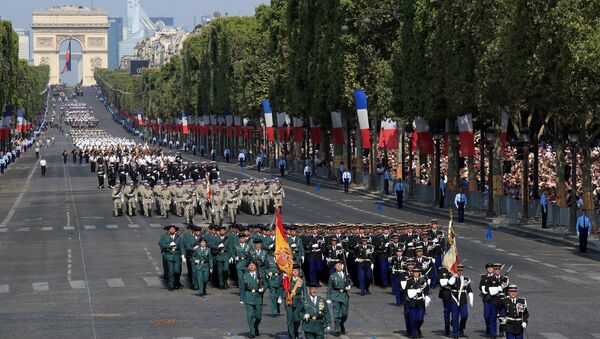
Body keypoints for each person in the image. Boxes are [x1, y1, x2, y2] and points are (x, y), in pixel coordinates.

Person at [448, 264, 473, 339]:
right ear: (456, 270)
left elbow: (469, 289)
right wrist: (453, 276)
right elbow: (449, 284)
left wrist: (471, 298)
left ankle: (461, 327)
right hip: (454, 298)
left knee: (464, 315)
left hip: (463, 299)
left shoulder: (466, 279)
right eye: (458, 270)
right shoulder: (452, 278)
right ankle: (456, 334)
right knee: (455, 317)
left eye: (461, 270)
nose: (460, 271)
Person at [327, 262, 352, 337]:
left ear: (342, 266)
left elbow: (351, 282)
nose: (338, 266)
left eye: (339, 265)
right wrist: (328, 298)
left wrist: (349, 286)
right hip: (336, 295)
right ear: (335, 267)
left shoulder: (346, 274)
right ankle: (337, 329)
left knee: (345, 314)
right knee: (336, 314)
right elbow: (329, 288)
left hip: (344, 295)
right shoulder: (332, 276)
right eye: (337, 265)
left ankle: (341, 324)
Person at [405, 267, 431, 339]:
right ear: (413, 273)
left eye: (417, 272)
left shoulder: (423, 281)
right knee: (413, 319)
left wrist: (427, 285)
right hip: (413, 302)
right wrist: (415, 291)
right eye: (415, 272)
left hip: (420, 302)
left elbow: (426, 291)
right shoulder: (409, 281)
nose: (416, 274)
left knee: (420, 319)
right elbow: (406, 291)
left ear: (419, 273)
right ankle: (414, 334)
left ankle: (417, 328)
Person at [242, 261, 265, 338]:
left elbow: (266, 283)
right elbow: (242, 288)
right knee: (250, 316)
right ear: (248, 267)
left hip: (258, 296)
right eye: (250, 265)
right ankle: (252, 331)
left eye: (253, 265)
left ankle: (255, 326)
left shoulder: (260, 275)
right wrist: (242, 298)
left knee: (258, 316)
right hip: (249, 296)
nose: (251, 266)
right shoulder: (245, 275)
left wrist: (263, 288)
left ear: (256, 266)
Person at [158, 225, 183, 291]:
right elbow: (161, 244)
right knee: (171, 271)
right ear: (168, 230)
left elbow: (181, 246)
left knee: (177, 271)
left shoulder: (178, 237)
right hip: (169, 256)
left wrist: (183, 255)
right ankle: (171, 285)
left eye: (173, 229)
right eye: (171, 229)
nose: (172, 230)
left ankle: (176, 282)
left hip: (177, 256)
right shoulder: (164, 237)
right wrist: (169, 246)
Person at [285, 264, 304, 339]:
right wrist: (280, 297)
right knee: (290, 318)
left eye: (297, 270)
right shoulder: (288, 279)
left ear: (299, 272)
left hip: (298, 300)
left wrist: (306, 300)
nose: (295, 272)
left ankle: (295, 331)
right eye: (294, 270)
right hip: (289, 300)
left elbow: (304, 290)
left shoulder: (301, 279)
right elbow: (283, 288)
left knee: (297, 318)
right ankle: (291, 335)